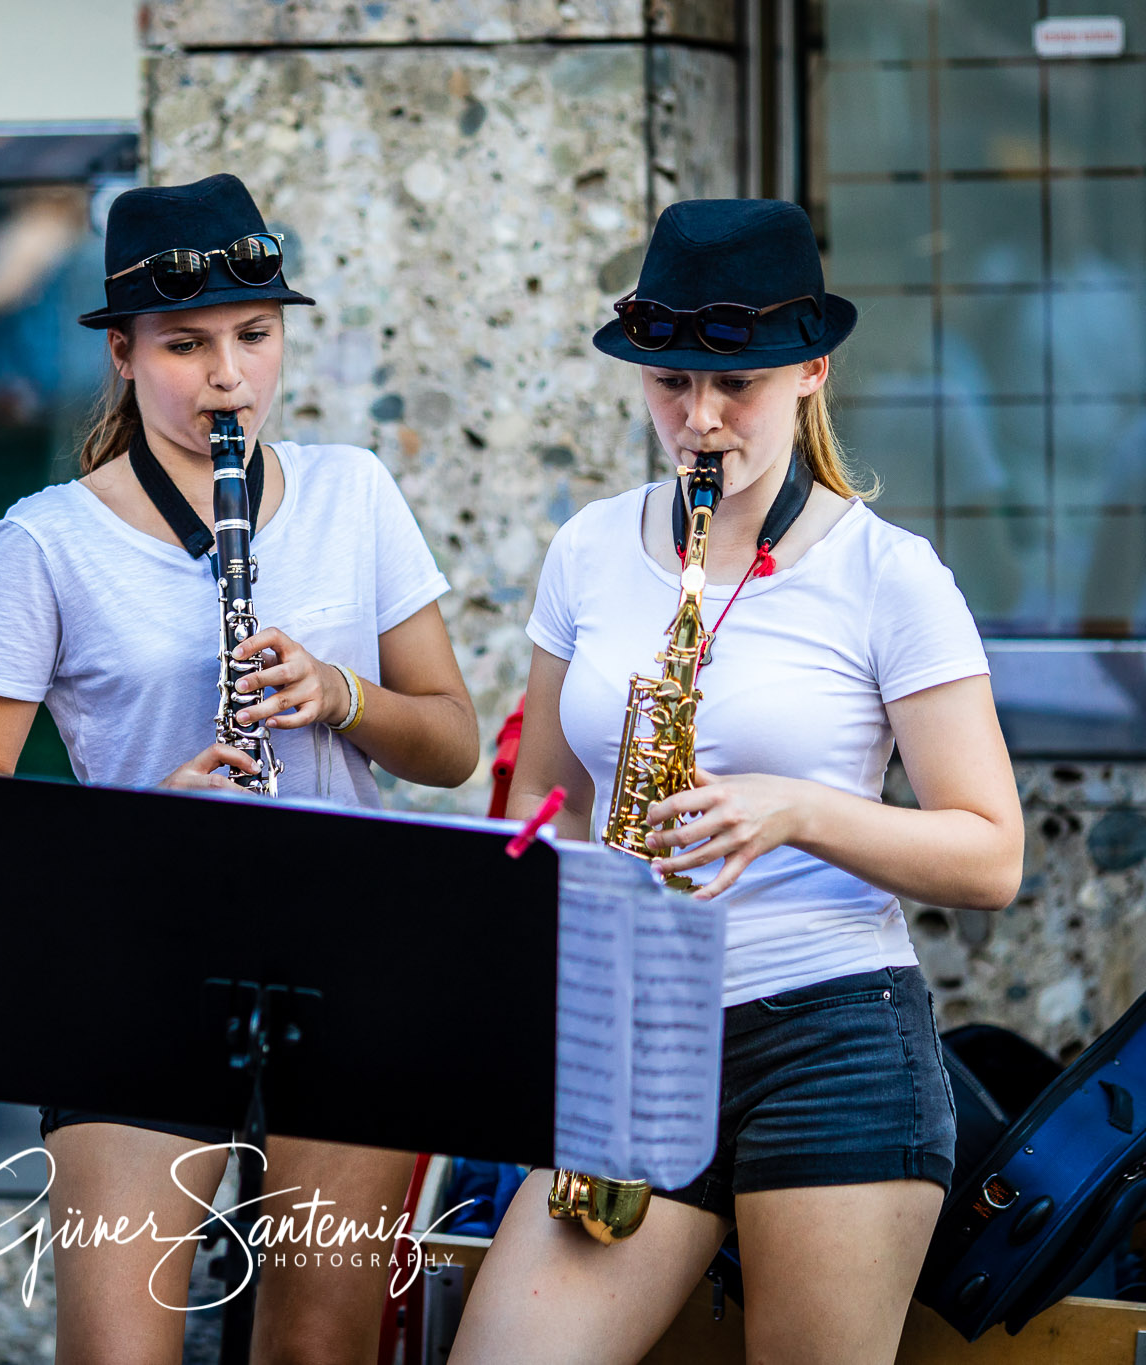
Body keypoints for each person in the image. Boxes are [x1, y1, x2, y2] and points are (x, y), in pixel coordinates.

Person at [449, 199, 1024, 1365]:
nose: (697, 421)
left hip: (831, 1038)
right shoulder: (589, 550)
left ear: (811, 368)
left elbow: (990, 855)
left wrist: (796, 811)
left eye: (736, 387)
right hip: (635, 1037)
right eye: (668, 383)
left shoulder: (888, 576)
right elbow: (534, 812)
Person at [0, 173, 481, 1365]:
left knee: (315, 1347)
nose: (227, 376)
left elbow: (449, 744)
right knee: (118, 1350)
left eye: (253, 337)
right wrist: (133, 824)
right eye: (184, 344)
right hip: (133, 969)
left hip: (347, 960)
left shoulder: (352, 492)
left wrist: (340, 694)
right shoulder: (44, 539)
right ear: (122, 353)